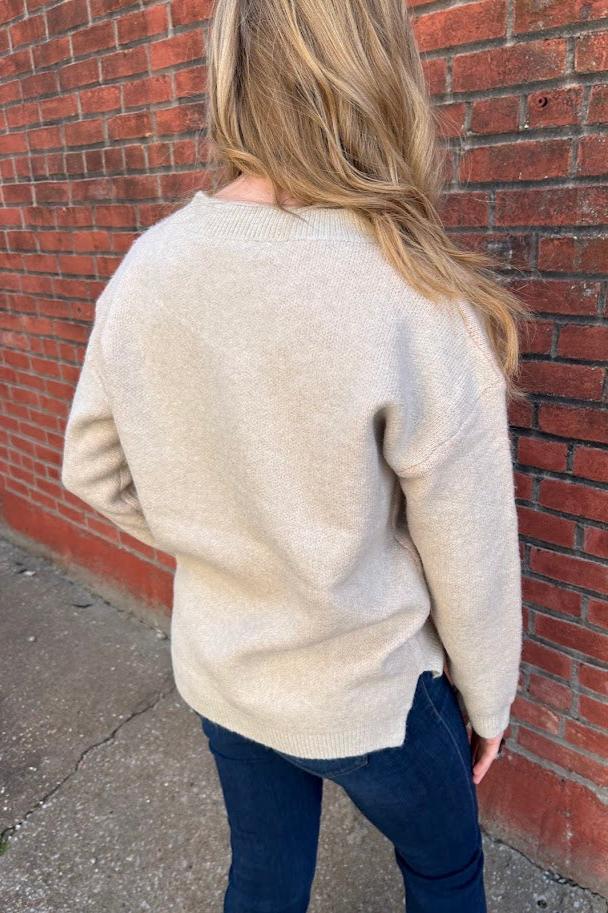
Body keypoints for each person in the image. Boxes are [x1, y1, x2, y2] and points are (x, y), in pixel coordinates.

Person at [60, 1, 532, 910]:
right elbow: (470, 551)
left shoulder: (150, 265)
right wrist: (488, 702)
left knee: (264, 877)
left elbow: (92, 467)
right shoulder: (412, 291)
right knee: (445, 871)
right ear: (377, 69)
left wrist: (227, 547)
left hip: (226, 670)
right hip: (373, 695)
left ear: (232, 70)